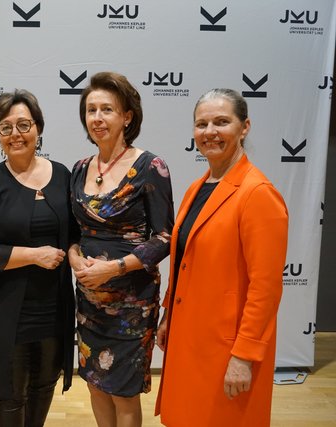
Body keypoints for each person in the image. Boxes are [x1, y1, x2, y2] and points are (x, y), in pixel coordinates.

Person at [154, 89, 289, 426]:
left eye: (221, 122)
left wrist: (244, 355)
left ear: (244, 127)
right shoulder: (197, 188)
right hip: (190, 340)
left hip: (225, 349)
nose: (209, 131)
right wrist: (169, 313)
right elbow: (186, 260)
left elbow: (266, 286)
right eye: (202, 124)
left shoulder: (258, 194)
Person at [0, 89, 78, 427]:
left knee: (44, 386)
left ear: (39, 129)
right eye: (6, 127)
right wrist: (33, 255)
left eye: (24, 125)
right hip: (7, 310)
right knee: (12, 395)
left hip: (54, 307)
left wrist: (76, 256)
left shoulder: (63, 176)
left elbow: (75, 234)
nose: (16, 134)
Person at [68, 71, 174, 427]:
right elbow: (72, 231)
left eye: (107, 109)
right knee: (96, 384)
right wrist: (74, 259)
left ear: (127, 116)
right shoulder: (80, 167)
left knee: (123, 390)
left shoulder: (150, 167)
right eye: (91, 110)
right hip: (89, 299)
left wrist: (113, 269)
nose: (97, 118)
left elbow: (163, 238)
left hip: (132, 302)